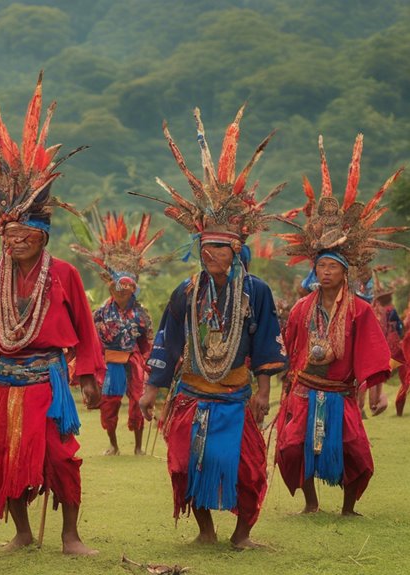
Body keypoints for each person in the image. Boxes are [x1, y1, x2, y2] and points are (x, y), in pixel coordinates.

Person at [0, 35, 104, 556]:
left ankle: (70, 533)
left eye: (23, 234)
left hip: (49, 379)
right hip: (6, 380)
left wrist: (89, 377)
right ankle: (20, 531)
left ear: (42, 235)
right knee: (1, 452)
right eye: (7, 234)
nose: (13, 241)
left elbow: (84, 327)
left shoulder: (63, 273)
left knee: (60, 457)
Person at [139, 106, 287, 549]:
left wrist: (263, 391)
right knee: (186, 463)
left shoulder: (254, 291)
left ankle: (241, 535)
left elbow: (264, 343)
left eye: (219, 248)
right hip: (191, 393)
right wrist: (152, 388)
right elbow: (168, 338)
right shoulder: (187, 292)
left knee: (245, 467)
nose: (210, 254)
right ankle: (204, 531)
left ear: (236, 249)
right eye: (205, 247)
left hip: (236, 394)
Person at [275, 134, 401, 515]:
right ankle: (311, 505)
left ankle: (348, 507)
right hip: (305, 388)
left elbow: (372, 352)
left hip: (341, 391)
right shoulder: (300, 308)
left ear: (345, 273)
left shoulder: (360, 310)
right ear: (314, 270)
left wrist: (376, 391)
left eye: (333, 267)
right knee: (292, 446)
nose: (325, 272)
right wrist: (283, 379)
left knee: (354, 449)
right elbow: (290, 345)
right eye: (321, 266)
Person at [72, 212, 164, 456]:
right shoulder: (100, 312)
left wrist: (151, 365)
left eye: (127, 290)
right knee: (109, 404)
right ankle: (113, 444)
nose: (122, 293)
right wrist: (91, 367)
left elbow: (147, 342)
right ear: (111, 287)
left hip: (133, 362)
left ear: (133, 289)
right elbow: (92, 341)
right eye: (118, 289)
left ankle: (138, 446)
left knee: (137, 402)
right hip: (110, 363)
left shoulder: (141, 313)